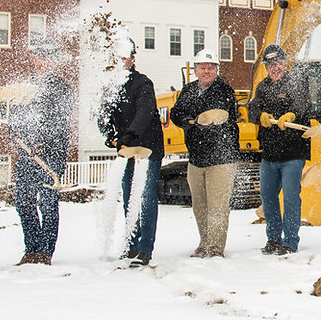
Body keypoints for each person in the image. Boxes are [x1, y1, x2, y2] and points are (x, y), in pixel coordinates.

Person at [98, 38, 165, 267]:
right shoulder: (111, 85)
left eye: (124, 57)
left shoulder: (142, 83)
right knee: (129, 197)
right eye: (115, 58)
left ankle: (146, 247)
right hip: (127, 150)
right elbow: (104, 113)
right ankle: (131, 243)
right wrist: (108, 132)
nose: (119, 62)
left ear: (132, 59)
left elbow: (145, 111)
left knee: (145, 198)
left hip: (147, 149)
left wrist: (132, 132)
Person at [8, 39, 74, 265]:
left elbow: (61, 122)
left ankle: (46, 251)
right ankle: (32, 249)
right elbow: (14, 118)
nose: (43, 61)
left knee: (47, 203)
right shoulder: (23, 88)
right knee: (24, 202)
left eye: (49, 57)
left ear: (55, 61)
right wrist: (17, 137)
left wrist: (42, 142)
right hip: (27, 154)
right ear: (34, 59)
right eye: (40, 56)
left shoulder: (63, 88)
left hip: (51, 155)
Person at [170, 49, 239, 258]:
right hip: (196, 158)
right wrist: (188, 121)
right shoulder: (189, 90)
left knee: (217, 205)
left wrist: (196, 119)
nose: (206, 71)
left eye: (210, 67)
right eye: (202, 67)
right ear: (196, 70)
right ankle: (204, 242)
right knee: (199, 205)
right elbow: (176, 113)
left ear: (217, 70)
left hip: (220, 158)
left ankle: (216, 247)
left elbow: (219, 116)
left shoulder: (224, 91)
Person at [248, 44, 311, 255]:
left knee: (291, 197)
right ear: (265, 67)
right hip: (269, 154)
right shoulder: (263, 87)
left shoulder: (296, 83)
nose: (275, 68)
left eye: (278, 63)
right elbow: (252, 109)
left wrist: (292, 115)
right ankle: (273, 239)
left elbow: (304, 106)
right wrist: (260, 117)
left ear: (285, 63)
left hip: (293, 154)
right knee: (267, 197)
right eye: (270, 64)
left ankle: (290, 241)